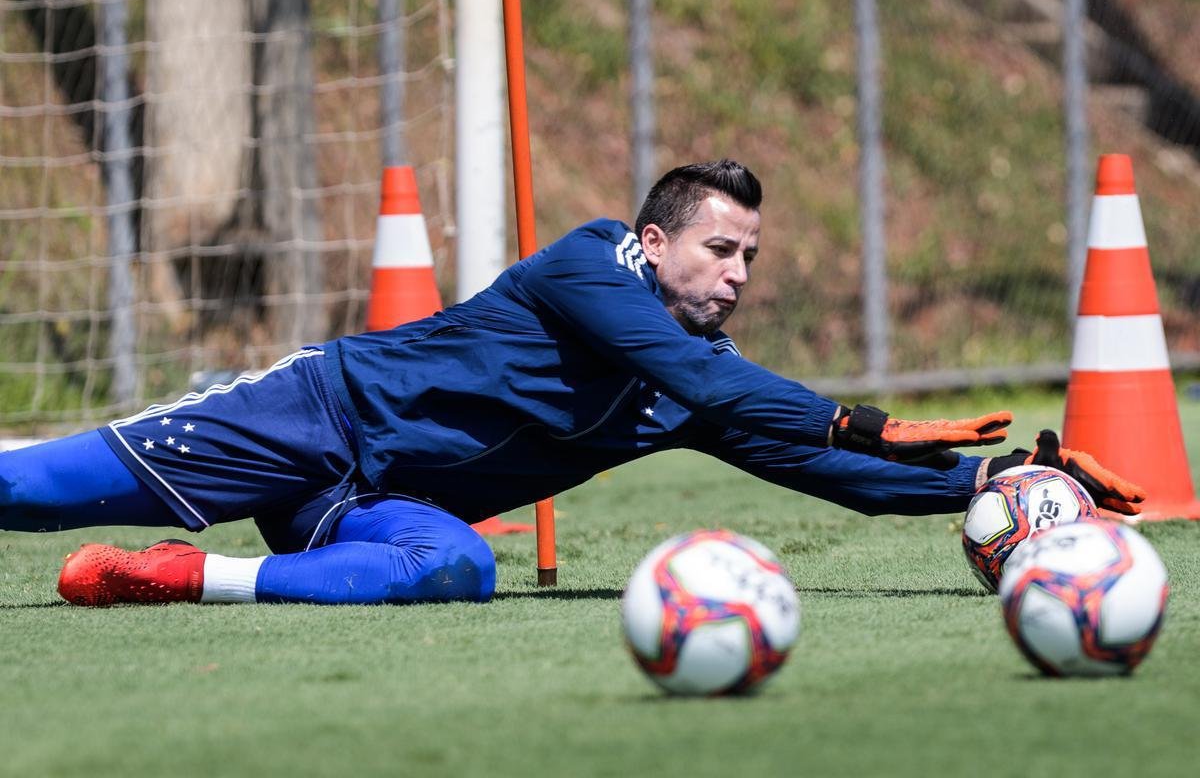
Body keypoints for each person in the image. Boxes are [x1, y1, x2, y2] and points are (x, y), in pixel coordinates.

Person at [0, 160, 1145, 607]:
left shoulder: (699, 378)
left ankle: (186, 576)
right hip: (307, 416)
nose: (739, 274)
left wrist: (990, 482)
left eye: (751, 257)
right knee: (27, 487)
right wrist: (866, 417)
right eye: (720, 249)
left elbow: (815, 464)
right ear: (654, 243)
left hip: (366, 503)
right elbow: (721, 386)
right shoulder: (589, 264)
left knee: (457, 565)